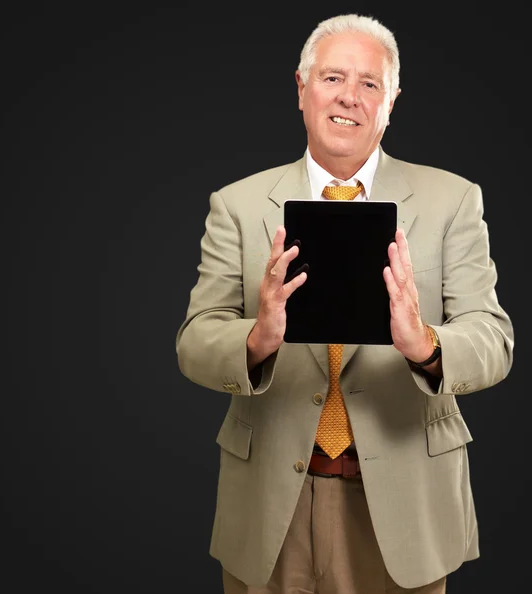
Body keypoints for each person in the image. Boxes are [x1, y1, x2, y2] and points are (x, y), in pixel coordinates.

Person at [175, 13, 514, 594]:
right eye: (333, 78)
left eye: (369, 84)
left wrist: (425, 346)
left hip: (407, 504)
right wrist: (255, 341)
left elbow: (493, 340)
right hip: (269, 507)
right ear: (301, 88)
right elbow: (195, 341)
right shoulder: (235, 204)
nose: (349, 98)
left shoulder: (453, 199)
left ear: (392, 101)